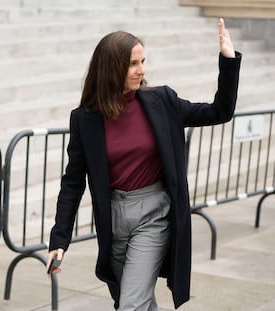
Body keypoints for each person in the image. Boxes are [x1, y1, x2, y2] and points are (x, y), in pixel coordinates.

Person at [46, 18, 241, 310]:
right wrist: (59, 239)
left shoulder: (161, 101)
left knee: (131, 305)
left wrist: (227, 61)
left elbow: (219, 111)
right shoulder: (85, 119)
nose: (142, 70)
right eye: (133, 64)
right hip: (112, 220)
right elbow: (72, 182)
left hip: (153, 215)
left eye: (143, 61)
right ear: (112, 68)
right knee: (137, 302)